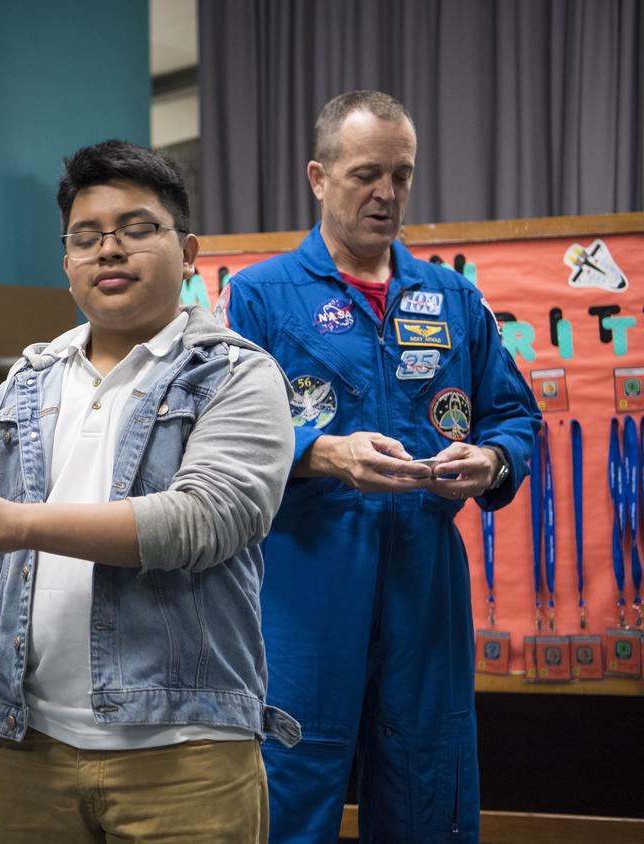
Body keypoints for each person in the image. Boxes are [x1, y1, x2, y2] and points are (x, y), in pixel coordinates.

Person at [0, 140, 300, 843]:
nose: (110, 251)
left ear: (189, 251)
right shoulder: (25, 385)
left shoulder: (237, 376)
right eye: (87, 238)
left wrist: (20, 523)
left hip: (183, 751)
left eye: (136, 230)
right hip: (29, 746)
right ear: (67, 261)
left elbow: (203, 522)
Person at [221, 90, 541, 842]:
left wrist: (493, 460)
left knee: (429, 783)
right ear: (318, 176)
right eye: (367, 173)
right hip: (302, 582)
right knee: (290, 786)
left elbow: (514, 415)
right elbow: (217, 435)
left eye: (401, 175)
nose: (386, 194)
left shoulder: (453, 298)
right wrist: (321, 453)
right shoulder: (258, 298)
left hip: (424, 582)